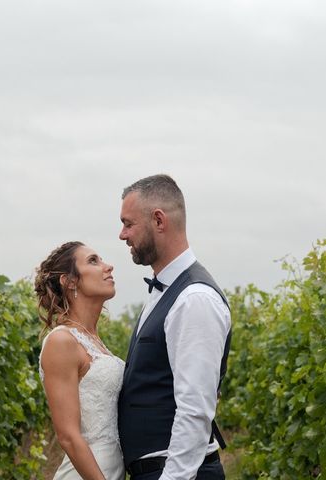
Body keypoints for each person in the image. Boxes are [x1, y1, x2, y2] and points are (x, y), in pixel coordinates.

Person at [117, 174, 232, 480]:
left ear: (158, 220)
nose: (122, 234)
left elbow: (195, 409)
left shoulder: (194, 298)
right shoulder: (168, 291)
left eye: (128, 223)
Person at [35, 241, 126, 480]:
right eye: (93, 261)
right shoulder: (61, 341)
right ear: (70, 281)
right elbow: (68, 436)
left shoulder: (95, 342)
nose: (108, 267)